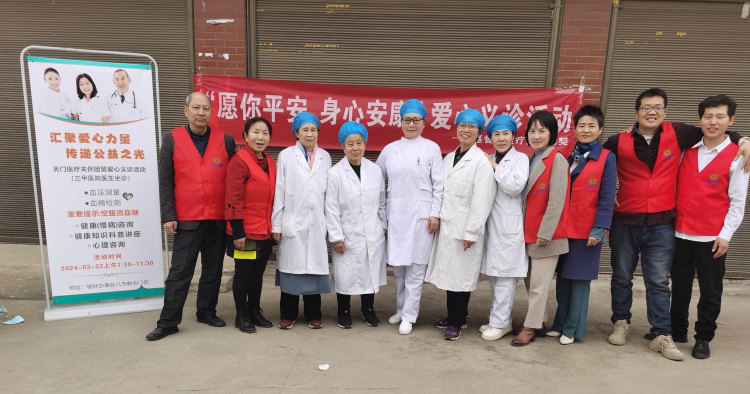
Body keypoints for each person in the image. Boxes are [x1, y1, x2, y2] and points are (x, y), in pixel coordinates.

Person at [603, 88, 750, 361]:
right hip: (625, 222)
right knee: (622, 278)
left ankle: (662, 334)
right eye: (646, 107)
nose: (652, 112)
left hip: (662, 223)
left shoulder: (680, 134)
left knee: (659, 281)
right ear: (636, 113)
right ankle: (621, 323)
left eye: (658, 107)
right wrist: (608, 191)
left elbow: (717, 132)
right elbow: (597, 164)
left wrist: (744, 140)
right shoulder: (616, 140)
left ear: (665, 112)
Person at [146, 92, 235, 341]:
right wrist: (167, 215)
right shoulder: (171, 139)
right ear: (186, 111)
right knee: (179, 273)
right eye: (196, 107)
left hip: (216, 220)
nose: (201, 113)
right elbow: (165, 181)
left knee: (213, 271)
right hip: (186, 219)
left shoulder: (225, 140)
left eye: (206, 108)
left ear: (211, 112)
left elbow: (231, 181)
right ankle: (168, 321)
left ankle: (206, 311)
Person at [670, 95, 748, 359]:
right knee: (679, 286)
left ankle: (703, 337)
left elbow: (737, 201)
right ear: (700, 119)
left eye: (720, 117)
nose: (713, 122)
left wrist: (726, 235)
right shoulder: (686, 151)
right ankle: (677, 329)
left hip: (712, 237)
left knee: (710, 290)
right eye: (708, 116)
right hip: (680, 232)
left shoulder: (738, 156)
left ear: (731, 120)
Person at [548, 106, 616, 345]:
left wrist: (600, 228)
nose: (585, 130)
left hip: (588, 231)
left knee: (579, 281)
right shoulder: (568, 156)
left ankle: (572, 329)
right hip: (563, 229)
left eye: (591, 125)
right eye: (581, 125)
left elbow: (607, 197)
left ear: (600, 129)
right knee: (563, 278)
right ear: (574, 128)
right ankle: (559, 323)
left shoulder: (607, 157)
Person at [376, 99, 444, 335]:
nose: (411, 124)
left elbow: (439, 185)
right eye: (407, 120)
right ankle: (400, 309)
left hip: (421, 217)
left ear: (424, 122)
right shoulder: (390, 149)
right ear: (401, 122)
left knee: (416, 269)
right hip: (396, 215)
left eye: (416, 120)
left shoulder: (432, 148)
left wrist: (435, 213)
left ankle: (409, 315)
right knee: (399, 270)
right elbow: (375, 178)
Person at [426, 109, 495, 341]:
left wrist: (472, 231)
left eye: (471, 127)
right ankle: (456, 315)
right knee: (450, 275)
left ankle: (456, 322)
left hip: (466, 228)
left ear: (479, 132)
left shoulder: (481, 162)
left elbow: (482, 200)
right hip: (447, 225)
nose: (466, 130)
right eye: (462, 125)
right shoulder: (449, 158)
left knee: (461, 277)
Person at [511, 110, 570, 347]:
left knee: (538, 284)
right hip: (527, 232)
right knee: (530, 282)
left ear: (552, 133)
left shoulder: (557, 159)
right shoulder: (530, 158)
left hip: (546, 235)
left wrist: (546, 232)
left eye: (542, 130)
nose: (536, 135)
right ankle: (540, 321)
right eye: (532, 131)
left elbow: (557, 200)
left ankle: (529, 327)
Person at [271, 112, 332, 330]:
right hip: (293, 220)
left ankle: (313, 314)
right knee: (291, 268)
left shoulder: (325, 157)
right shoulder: (286, 156)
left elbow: (328, 195)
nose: (309, 134)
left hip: (317, 222)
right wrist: (276, 224)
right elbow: (279, 190)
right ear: (296, 133)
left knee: (314, 270)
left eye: (313, 129)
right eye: (304, 130)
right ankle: (288, 314)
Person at [325, 122, 387, 329]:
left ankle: (368, 310)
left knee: (369, 273)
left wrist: (383, 228)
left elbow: (381, 203)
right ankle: (343, 312)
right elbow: (331, 208)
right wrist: (336, 237)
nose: (355, 148)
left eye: (359, 143)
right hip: (347, 234)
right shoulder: (335, 173)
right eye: (350, 144)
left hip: (372, 233)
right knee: (346, 276)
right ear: (342, 147)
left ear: (365, 144)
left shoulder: (375, 170)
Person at [478, 114, 529, 341]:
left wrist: (493, 165)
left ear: (514, 137)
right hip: (491, 226)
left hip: (509, 226)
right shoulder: (487, 158)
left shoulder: (521, 160)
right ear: (490, 137)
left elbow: (515, 186)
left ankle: (499, 324)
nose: (501, 138)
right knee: (495, 277)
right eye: (496, 134)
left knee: (506, 278)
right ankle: (501, 320)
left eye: (505, 134)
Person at [225, 117, 276, 334]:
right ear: (245, 135)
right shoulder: (239, 161)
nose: (260, 137)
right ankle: (241, 314)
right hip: (245, 232)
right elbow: (233, 197)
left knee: (258, 274)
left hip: (264, 231)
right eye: (255, 132)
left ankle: (255, 310)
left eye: (265, 133)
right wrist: (238, 230)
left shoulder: (271, 163)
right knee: (244, 273)